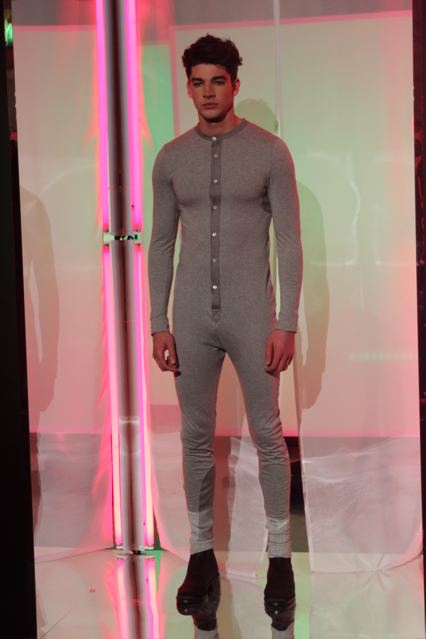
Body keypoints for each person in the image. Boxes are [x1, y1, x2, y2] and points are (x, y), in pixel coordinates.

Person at [148, 33, 303, 629]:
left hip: (252, 315)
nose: (208, 91)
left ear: (235, 85)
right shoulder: (170, 158)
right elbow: (161, 243)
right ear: (188, 87)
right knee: (194, 437)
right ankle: (201, 558)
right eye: (198, 82)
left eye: (218, 81)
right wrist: (159, 322)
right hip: (190, 317)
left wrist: (285, 322)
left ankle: (280, 560)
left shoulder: (270, 152)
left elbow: (288, 242)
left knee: (267, 433)